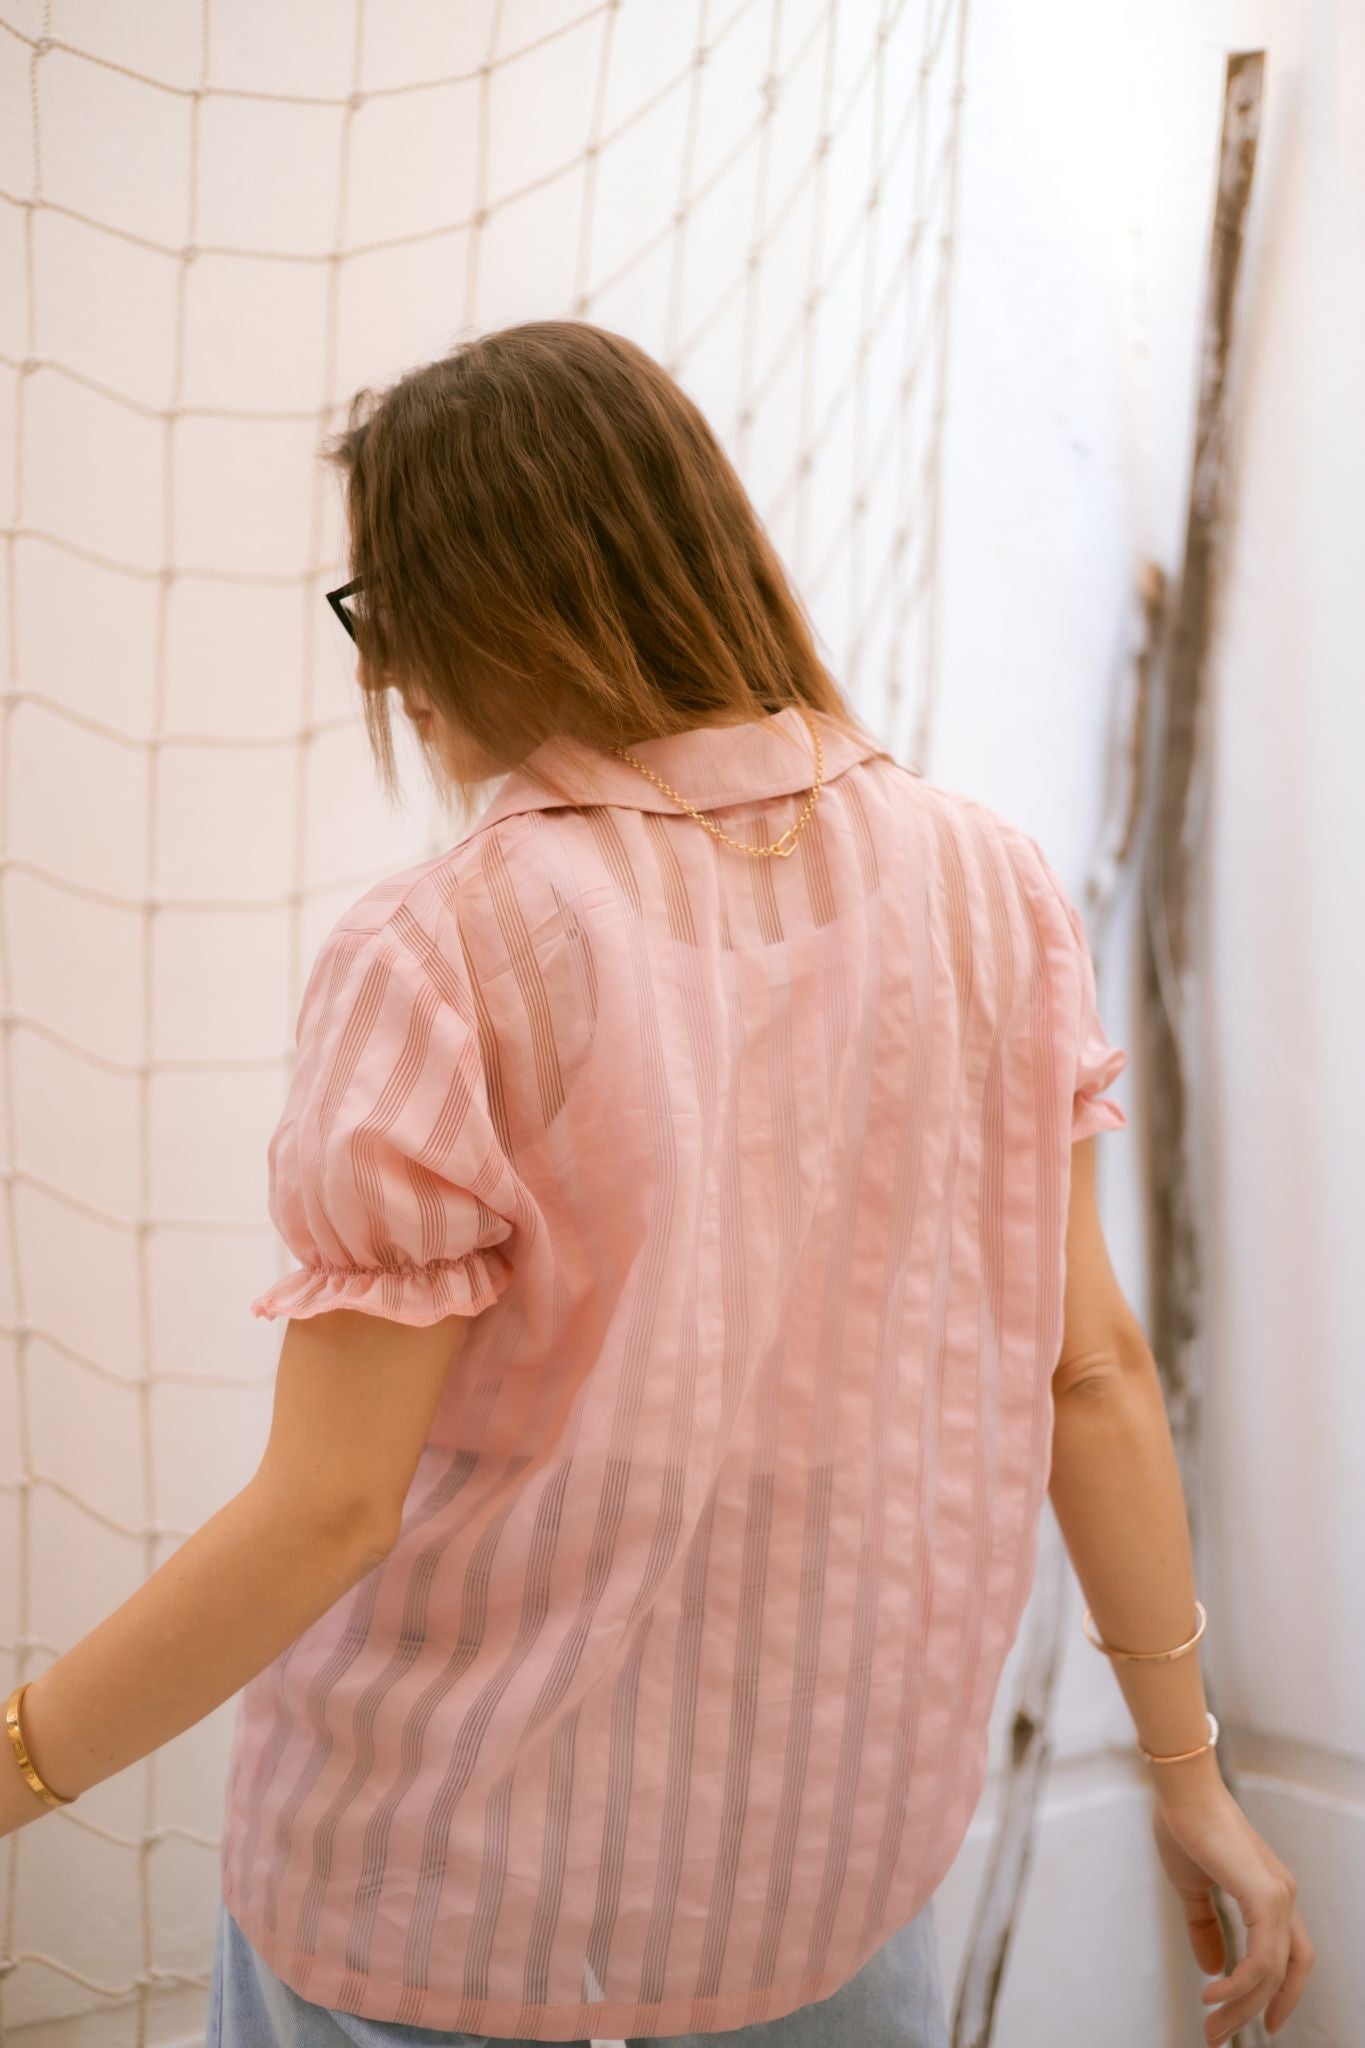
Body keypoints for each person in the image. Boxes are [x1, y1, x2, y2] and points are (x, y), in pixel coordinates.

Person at [2, 321, 1312, 2048]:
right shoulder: (990, 889)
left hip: (439, 1893)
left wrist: (21, 1768)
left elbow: (329, 1508)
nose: (384, 674)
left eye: (382, 609)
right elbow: (1092, 1372)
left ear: (495, 598)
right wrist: (1188, 1770)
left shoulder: (442, 948)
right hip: (825, 1881)